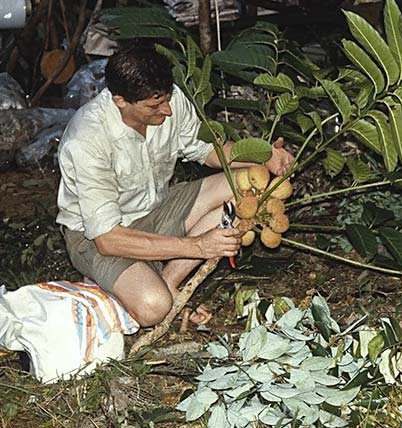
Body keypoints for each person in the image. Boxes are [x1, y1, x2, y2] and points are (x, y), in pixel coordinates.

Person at [56, 40, 293, 327]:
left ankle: (169, 280)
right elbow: (108, 239)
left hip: (157, 206)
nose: (167, 110)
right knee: (153, 307)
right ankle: (113, 281)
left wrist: (265, 157)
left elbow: (207, 150)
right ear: (120, 100)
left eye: (167, 98)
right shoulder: (87, 139)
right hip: (98, 238)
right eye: (154, 105)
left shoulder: (170, 99)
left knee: (251, 183)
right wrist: (198, 247)